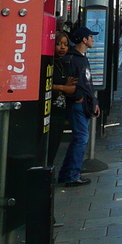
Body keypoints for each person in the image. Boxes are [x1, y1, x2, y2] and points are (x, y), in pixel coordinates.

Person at [58, 27, 99, 187]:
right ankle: (73, 175)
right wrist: (79, 98)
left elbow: (88, 83)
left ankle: (66, 173)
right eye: (91, 37)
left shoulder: (82, 58)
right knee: (81, 138)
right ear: (84, 39)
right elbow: (71, 83)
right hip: (78, 105)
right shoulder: (72, 59)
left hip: (86, 104)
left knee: (79, 139)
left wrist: (94, 102)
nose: (93, 40)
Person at [47, 33, 76, 165]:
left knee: (55, 144)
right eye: (59, 44)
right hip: (49, 110)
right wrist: (63, 87)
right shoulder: (48, 63)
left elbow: (73, 88)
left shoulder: (66, 64)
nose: (62, 47)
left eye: (65, 44)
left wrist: (60, 88)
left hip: (61, 111)